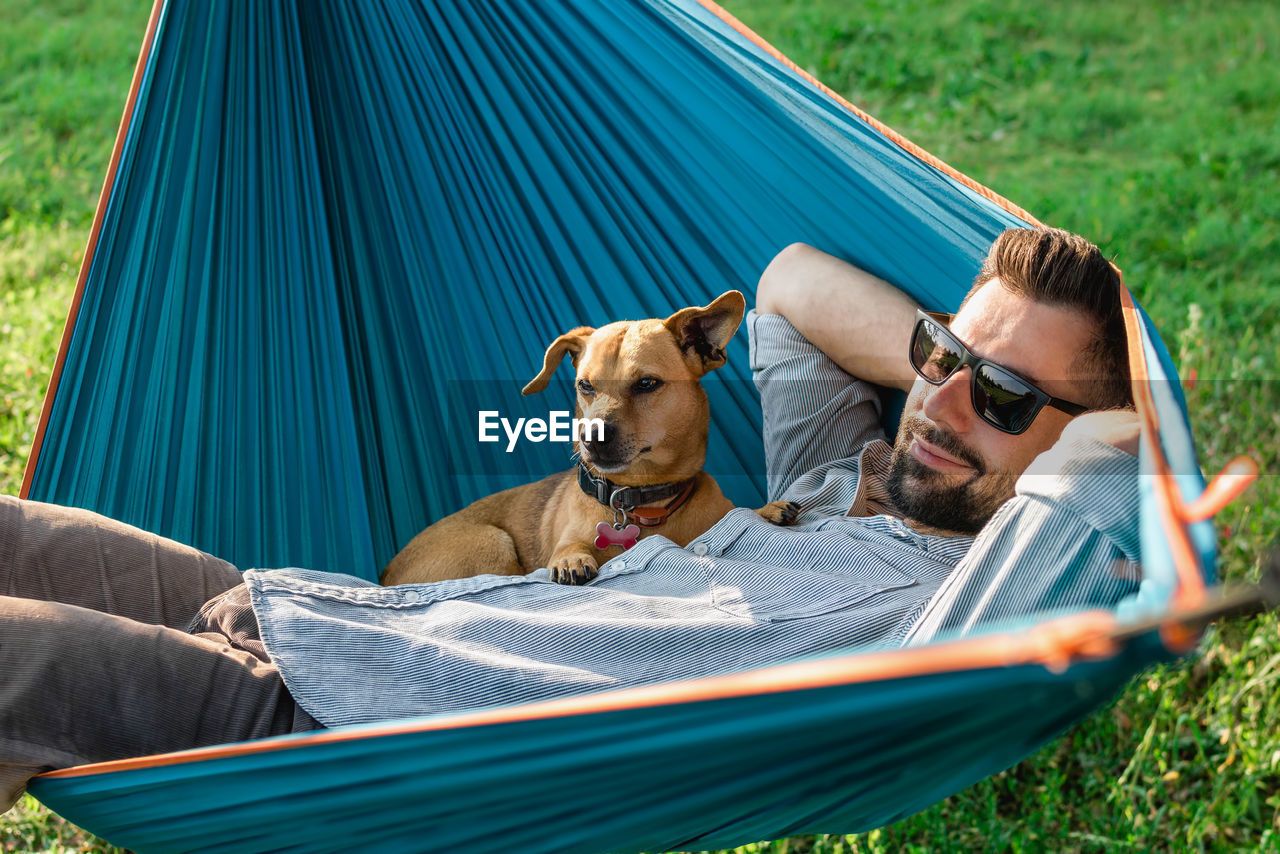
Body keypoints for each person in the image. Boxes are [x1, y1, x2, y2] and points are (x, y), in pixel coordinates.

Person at [0, 226, 1143, 811]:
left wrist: (1120, 407)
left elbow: (1108, 452)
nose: (936, 401)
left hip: (335, 726)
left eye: (994, 397)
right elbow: (790, 285)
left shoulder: (950, 619)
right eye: (938, 354)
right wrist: (972, 371)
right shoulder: (840, 483)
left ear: (1069, 445)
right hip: (307, 607)